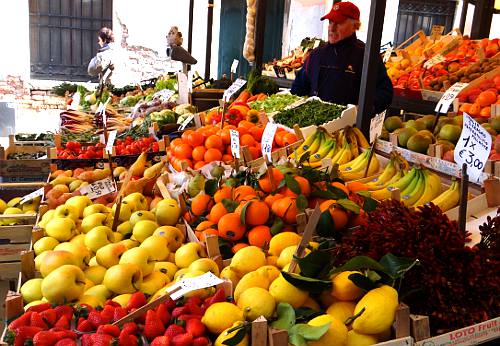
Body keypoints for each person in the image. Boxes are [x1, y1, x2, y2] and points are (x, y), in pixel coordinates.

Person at [291, 1, 393, 115]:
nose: (332, 28)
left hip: (349, 129)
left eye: (338, 23)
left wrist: (362, 110)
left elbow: (385, 92)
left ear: (355, 26)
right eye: (330, 22)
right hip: (313, 126)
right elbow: (298, 88)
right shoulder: (316, 55)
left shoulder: (366, 56)